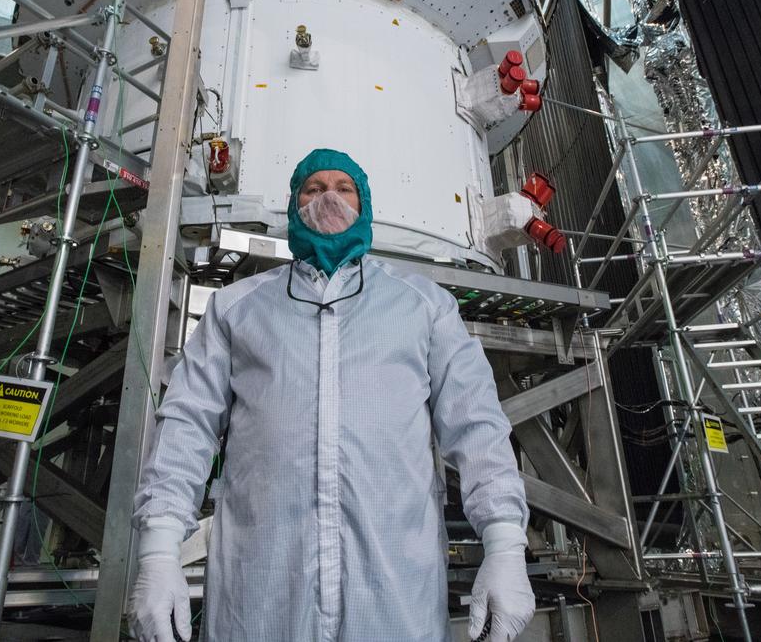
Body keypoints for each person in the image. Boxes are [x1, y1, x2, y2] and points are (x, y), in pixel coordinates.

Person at [130, 148, 535, 641]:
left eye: (344, 189)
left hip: (393, 597)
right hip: (264, 595)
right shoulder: (237, 308)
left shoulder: (424, 306)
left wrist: (505, 544)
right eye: (314, 188)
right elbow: (187, 424)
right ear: (293, 204)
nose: (329, 198)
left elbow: (477, 426)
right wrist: (159, 550)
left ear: (365, 205)